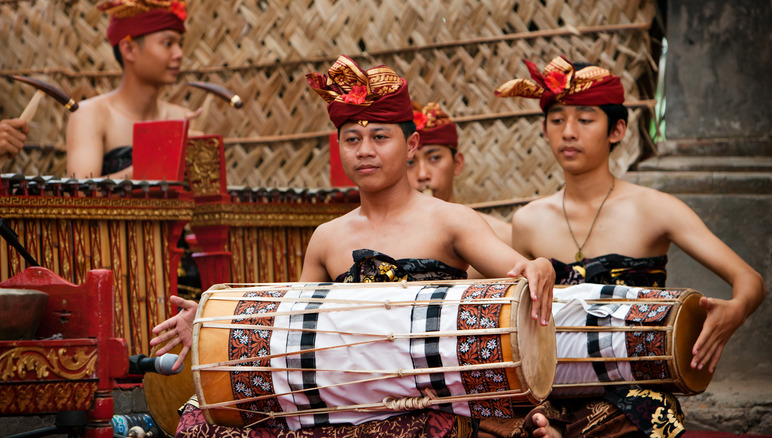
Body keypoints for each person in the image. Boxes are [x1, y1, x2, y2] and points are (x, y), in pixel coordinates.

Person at [151, 55, 556, 438]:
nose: (364, 150)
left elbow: (517, 272)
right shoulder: (328, 237)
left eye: (380, 137)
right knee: (201, 422)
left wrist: (538, 267)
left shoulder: (451, 220)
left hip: (424, 400)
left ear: (411, 145)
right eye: (352, 139)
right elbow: (293, 332)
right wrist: (210, 325)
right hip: (346, 394)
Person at [494, 55, 766, 438]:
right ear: (544, 129)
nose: (568, 132)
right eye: (557, 120)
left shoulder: (655, 209)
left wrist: (735, 310)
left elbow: (749, 279)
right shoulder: (528, 221)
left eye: (585, 119)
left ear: (617, 129)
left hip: (634, 389)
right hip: (553, 388)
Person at [65, 0, 197, 179]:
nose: (179, 54)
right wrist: (158, 161)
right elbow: (80, 194)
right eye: (168, 43)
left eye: (179, 44)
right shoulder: (91, 115)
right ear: (129, 49)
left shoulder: (182, 118)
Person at [407, 101, 513, 278]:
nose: (423, 174)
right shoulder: (390, 243)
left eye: (434, 158)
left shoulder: (503, 238)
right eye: (410, 162)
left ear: (457, 163)